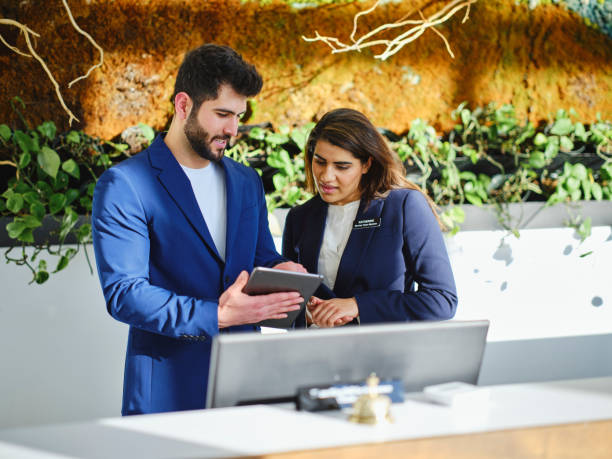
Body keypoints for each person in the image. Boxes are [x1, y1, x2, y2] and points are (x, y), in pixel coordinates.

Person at [92, 44, 305, 415]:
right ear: (183, 105)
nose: (233, 129)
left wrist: (281, 271)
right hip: (167, 389)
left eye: (239, 115)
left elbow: (258, 257)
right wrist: (216, 315)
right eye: (222, 114)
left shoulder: (246, 181)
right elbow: (125, 294)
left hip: (245, 386)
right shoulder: (125, 184)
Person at [282, 108, 457, 328]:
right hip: (315, 355)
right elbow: (288, 305)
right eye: (319, 161)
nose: (326, 176)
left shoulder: (404, 206)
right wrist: (305, 313)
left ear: (367, 164)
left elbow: (442, 300)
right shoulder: (299, 217)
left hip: (382, 355)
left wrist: (358, 306)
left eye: (342, 166)